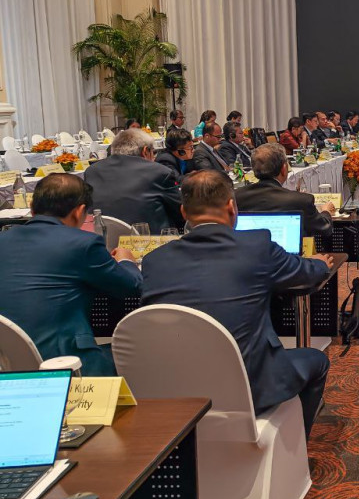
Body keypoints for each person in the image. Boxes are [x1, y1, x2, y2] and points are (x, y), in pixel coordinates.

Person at [140, 171, 335, 438]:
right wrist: (320, 264)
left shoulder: (154, 260)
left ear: (184, 212)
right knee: (317, 360)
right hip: (250, 386)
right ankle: (295, 445)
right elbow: (306, 273)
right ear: (232, 207)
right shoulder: (257, 246)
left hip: (172, 389)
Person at [0, 175, 141, 376]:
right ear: (79, 211)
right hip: (66, 363)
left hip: (7, 364)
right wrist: (126, 260)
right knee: (137, 356)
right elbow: (131, 287)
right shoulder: (84, 244)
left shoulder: (3, 240)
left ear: (32, 208)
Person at [84, 128, 184, 232]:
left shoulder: (91, 172)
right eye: (153, 152)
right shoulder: (159, 172)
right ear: (145, 151)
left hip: (102, 238)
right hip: (148, 239)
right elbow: (180, 212)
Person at [235, 144, 337, 236]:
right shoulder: (301, 200)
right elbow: (324, 228)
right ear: (284, 169)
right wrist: (326, 211)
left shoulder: (236, 196)